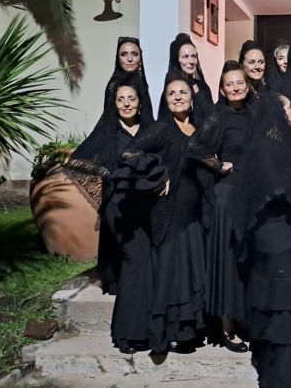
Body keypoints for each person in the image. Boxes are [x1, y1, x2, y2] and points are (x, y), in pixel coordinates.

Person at [113, 72, 208, 355]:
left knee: (187, 274)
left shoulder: (199, 129)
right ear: (165, 101)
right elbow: (129, 153)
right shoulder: (162, 129)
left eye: (183, 93)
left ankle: (186, 332)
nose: (178, 97)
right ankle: (162, 335)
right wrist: (158, 175)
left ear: (192, 100)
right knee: (168, 274)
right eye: (172, 94)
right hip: (169, 213)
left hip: (194, 215)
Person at [243, 92, 291, 387]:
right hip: (276, 241)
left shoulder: (281, 144)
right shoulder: (263, 148)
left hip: (288, 237)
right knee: (283, 309)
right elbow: (279, 187)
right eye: (289, 106)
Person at [66, 37, 154, 296]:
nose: (129, 58)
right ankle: (114, 278)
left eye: (134, 54)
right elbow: (107, 123)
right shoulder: (114, 84)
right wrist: (106, 168)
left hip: (139, 174)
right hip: (115, 164)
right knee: (116, 226)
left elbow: (147, 118)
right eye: (124, 54)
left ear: (140, 57)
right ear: (118, 58)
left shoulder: (143, 85)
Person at [186, 61, 253, 352]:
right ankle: (227, 329)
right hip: (227, 197)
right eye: (229, 84)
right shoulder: (218, 115)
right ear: (222, 90)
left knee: (248, 262)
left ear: (247, 86)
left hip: (253, 196)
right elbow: (194, 147)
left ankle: (248, 320)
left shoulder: (256, 114)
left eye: (240, 82)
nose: (236, 87)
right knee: (227, 264)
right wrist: (218, 164)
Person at [99, 78, 155, 354]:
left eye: (130, 98)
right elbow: (78, 161)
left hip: (144, 206)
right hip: (119, 208)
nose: (126, 104)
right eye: (121, 99)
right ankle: (125, 334)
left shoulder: (148, 130)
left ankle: (139, 330)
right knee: (135, 262)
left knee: (142, 265)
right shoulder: (109, 132)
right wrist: (109, 178)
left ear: (140, 102)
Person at [163, 33, 214, 122]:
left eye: (193, 56)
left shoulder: (203, 87)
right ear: (177, 60)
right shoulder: (171, 89)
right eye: (185, 57)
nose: (191, 61)